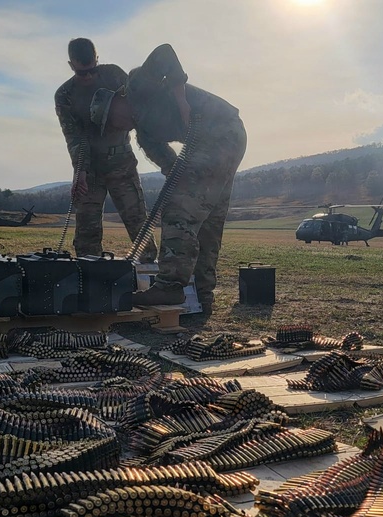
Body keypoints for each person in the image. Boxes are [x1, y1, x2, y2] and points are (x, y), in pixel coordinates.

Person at [93, 43, 246, 315]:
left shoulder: (137, 84)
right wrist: (179, 183)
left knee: (179, 210)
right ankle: (202, 295)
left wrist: (181, 100)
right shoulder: (145, 137)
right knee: (207, 216)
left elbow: (165, 53)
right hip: (212, 145)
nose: (117, 128)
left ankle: (170, 286)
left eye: (112, 120)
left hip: (223, 130)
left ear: (117, 101)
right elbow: (173, 167)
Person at [54, 38, 156, 261]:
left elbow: (139, 110)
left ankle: (151, 275)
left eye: (93, 69)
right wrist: (80, 172)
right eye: (82, 73)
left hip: (122, 163)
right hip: (89, 170)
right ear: (71, 65)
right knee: (86, 232)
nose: (89, 76)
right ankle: (91, 278)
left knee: (138, 222)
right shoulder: (65, 95)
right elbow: (74, 137)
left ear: (97, 60)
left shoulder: (115, 75)